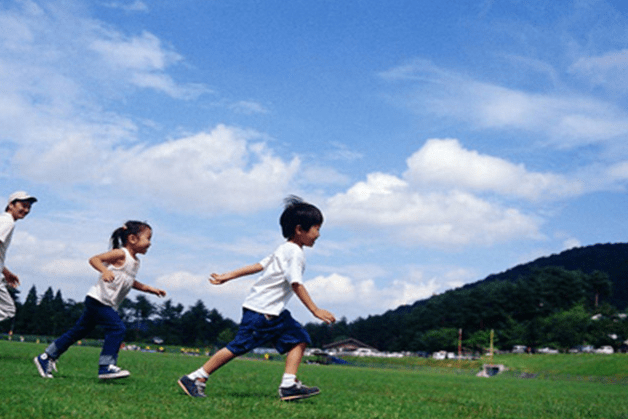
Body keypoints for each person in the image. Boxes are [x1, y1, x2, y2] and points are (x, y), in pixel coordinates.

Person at [177, 196, 336, 400]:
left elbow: (259, 266)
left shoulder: (283, 249)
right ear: (299, 229)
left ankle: (289, 384)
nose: (318, 234)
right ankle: (196, 377)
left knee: (300, 338)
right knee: (238, 347)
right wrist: (315, 310)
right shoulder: (294, 253)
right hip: (262, 312)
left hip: (274, 313)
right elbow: (296, 284)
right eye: (316, 228)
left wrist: (228, 275)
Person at [34, 221, 166, 380]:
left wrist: (149, 289)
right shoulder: (120, 254)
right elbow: (94, 259)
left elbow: (129, 280)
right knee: (117, 329)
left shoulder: (135, 262)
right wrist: (104, 271)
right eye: (148, 238)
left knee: (78, 332)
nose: (150, 243)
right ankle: (106, 367)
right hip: (98, 300)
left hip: (103, 302)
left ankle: (46, 357)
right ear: (132, 238)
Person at [0, 191, 37, 323]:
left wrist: (6, 272)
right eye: (23, 205)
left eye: (29, 207)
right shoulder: (7, 222)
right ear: (11, 205)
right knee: (8, 309)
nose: (26, 210)